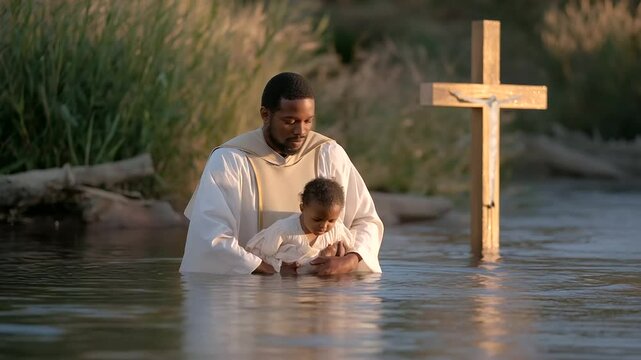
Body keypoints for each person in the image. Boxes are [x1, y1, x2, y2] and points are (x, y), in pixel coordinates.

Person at [179, 72, 383, 275]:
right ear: (265, 115)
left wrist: (350, 259)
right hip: (253, 292)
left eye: (308, 121)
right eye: (290, 121)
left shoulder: (328, 154)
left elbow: (366, 221)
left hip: (321, 297)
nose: (301, 131)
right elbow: (210, 237)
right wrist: (272, 270)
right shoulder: (230, 160)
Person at [245, 178, 355, 274]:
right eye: (317, 219)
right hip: (284, 283)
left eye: (331, 220)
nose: (324, 226)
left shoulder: (337, 229)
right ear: (302, 208)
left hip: (319, 285)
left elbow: (352, 246)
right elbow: (260, 252)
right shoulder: (284, 229)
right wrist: (278, 267)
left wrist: (339, 256)